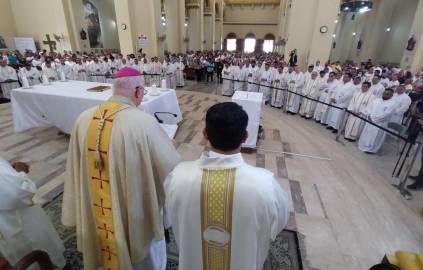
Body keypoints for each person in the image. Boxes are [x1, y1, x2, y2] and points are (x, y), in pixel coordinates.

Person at [61, 67, 181, 270]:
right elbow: (172, 171)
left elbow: (75, 172)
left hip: (97, 212)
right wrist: (171, 146)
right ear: (138, 92)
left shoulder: (83, 119)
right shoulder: (143, 122)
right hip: (134, 218)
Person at [164, 102, 289, 270]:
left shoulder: (177, 176)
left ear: (205, 134)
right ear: (245, 137)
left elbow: (168, 216)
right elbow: (277, 225)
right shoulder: (266, 185)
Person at [0, 158, 65, 269]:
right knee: (36, 257)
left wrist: (10, 173)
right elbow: (18, 194)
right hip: (16, 224)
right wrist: (20, 173)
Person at [358, 89, 396, 154]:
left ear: (391, 95)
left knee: (375, 136)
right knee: (367, 134)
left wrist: (373, 119)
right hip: (370, 120)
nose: (385, 95)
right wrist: (369, 116)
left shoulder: (392, 104)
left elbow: (386, 115)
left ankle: (371, 150)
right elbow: (369, 108)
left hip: (380, 123)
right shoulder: (377, 100)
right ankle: (362, 145)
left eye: (387, 94)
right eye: (384, 93)